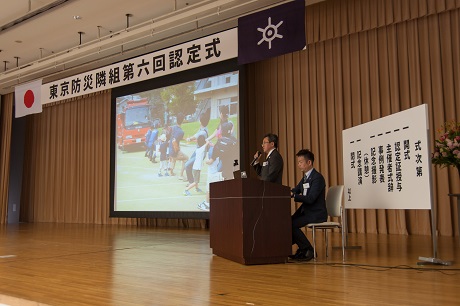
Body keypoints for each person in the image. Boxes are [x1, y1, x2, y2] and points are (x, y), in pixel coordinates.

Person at [290, 149, 327, 261]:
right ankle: (302, 249)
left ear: (309, 162)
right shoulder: (305, 178)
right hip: (307, 211)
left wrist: (294, 196)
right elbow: (296, 190)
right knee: (287, 222)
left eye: (301, 162)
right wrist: (288, 192)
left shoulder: (317, 178)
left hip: (316, 213)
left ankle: (308, 250)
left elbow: (310, 199)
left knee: (292, 224)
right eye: (298, 162)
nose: (298, 165)